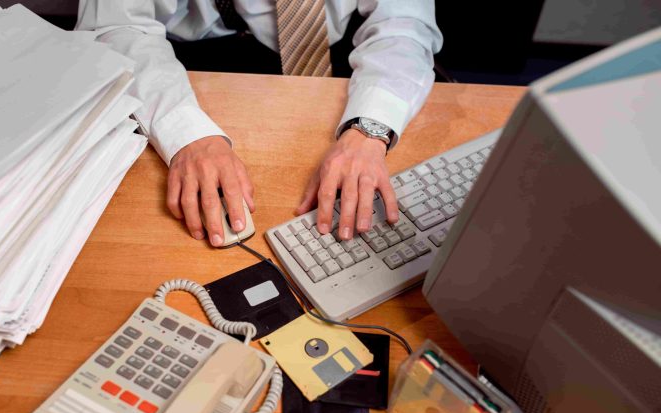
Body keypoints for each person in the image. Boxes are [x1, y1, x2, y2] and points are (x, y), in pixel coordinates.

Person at [76, 1, 442, 246]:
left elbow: (403, 25)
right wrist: (186, 135)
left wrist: (369, 129)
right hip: (191, 64)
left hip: (344, 64)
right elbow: (118, 27)